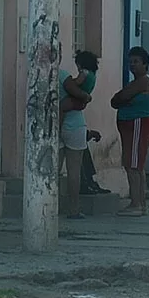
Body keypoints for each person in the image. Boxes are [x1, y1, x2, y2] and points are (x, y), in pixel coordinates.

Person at [111, 46, 149, 217]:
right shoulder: (137, 82)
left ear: (145, 64)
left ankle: (135, 203)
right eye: (130, 62)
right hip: (132, 126)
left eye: (136, 62)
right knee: (136, 165)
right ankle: (141, 203)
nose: (132, 65)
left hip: (137, 124)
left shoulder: (143, 81)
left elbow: (117, 99)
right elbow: (118, 100)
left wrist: (124, 100)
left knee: (133, 165)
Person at [59, 51, 99, 220]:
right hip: (75, 126)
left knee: (52, 171)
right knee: (74, 171)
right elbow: (79, 92)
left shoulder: (42, 74)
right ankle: (73, 209)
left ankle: (47, 205)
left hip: (54, 126)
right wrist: (86, 97)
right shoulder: (63, 75)